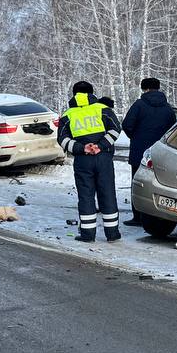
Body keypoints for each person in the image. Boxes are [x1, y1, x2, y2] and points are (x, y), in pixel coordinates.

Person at [57, 81, 122, 243]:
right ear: (92, 93)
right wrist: (100, 146)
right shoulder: (102, 109)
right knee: (107, 193)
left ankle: (87, 234)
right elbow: (115, 130)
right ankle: (112, 234)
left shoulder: (68, 114)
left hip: (83, 161)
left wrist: (82, 148)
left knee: (86, 196)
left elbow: (62, 139)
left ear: (74, 94)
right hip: (103, 158)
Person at [122, 77, 177, 225]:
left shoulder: (139, 105)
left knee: (138, 183)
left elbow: (127, 125)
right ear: (158, 88)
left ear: (144, 88)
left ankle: (138, 217)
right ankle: (157, 216)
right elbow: (174, 131)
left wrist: (136, 137)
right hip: (161, 154)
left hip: (139, 153)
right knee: (159, 184)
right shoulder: (168, 108)